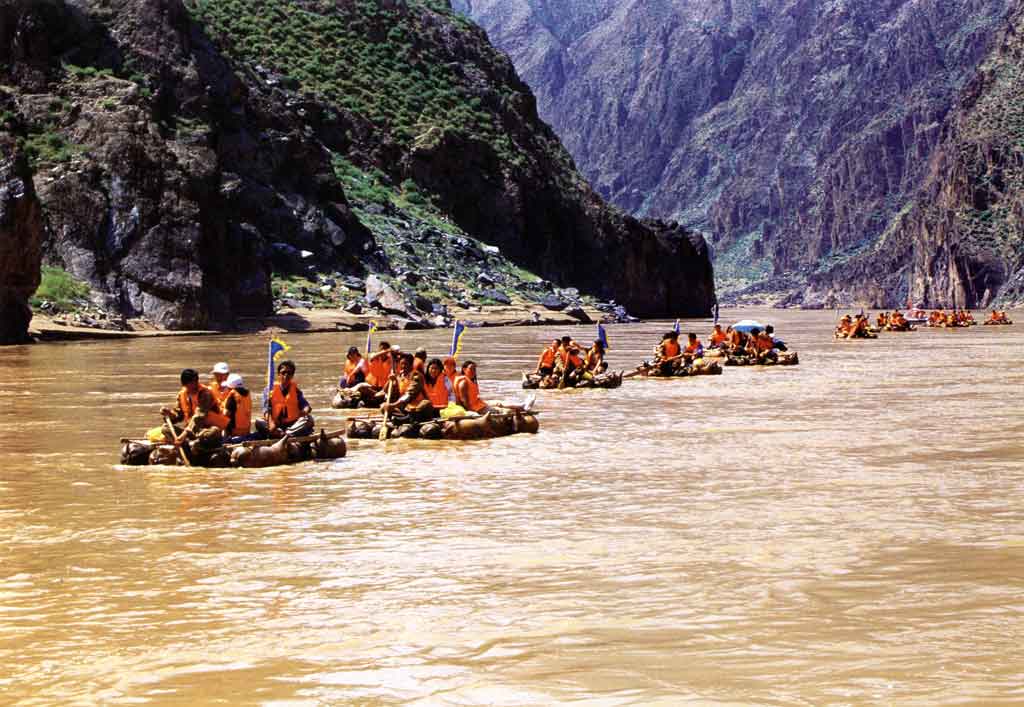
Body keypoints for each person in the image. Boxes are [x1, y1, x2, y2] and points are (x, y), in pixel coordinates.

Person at [160, 368, 230, 443]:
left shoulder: (205, 394)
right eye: (190, 383)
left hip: (206, 430)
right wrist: (169, 414)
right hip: (191, 432)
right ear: (184, 384)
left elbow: (199, 416)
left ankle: (192, 443)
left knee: (213, 432)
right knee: (165, 428)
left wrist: (183, 435)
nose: (194, 385)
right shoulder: (182, 394)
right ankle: (189, 442)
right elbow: (178, 415)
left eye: (195, 382)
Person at [257, 359, 314, 438]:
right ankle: (279, 433)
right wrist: (270, 422)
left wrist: (305, 410)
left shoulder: (296, 390)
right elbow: (265, 409)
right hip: (275, 424)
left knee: (309, 419)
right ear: (279, 374)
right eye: (283, 373)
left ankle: (286, 434)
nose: (286, 375)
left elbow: (305, 405)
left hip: (292, 424)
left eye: (289, 373)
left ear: (292, 375)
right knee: (259, 422)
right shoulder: (269, 389)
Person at [222, 373, 255, 443]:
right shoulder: (248, 394)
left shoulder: (232, 396)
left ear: (231, 387)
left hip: (234, 432)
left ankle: (226, 441)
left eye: (227, 387)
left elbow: (225, 414)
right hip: (246, 431)